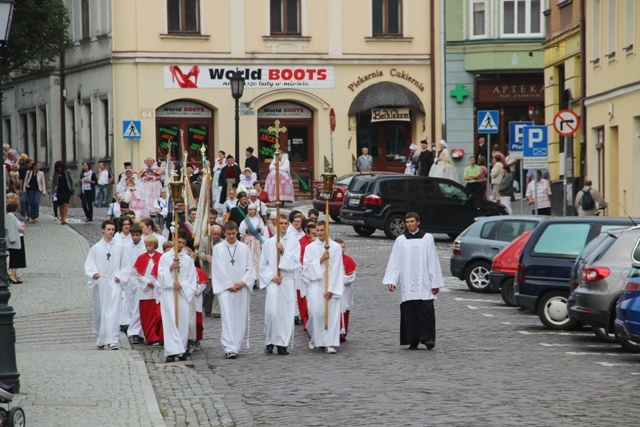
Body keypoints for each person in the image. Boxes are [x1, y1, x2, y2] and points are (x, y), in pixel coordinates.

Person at [383, 212, 444, 350]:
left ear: (418, 222)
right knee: (409, 311)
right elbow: (395, 261)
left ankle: (427, 338)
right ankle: (413, 339)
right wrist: (392, 280)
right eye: (407, 222)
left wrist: (435, 283)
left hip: (424, 281)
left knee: (426, 310)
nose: (409, 224)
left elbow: (433, 260)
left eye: (412, 221)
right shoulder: (401, 240)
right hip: (407, 279)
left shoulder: (427, 238)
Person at [210, 221, 256, 359]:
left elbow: (250, 267)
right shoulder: (218, 249)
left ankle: (236, 345)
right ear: (224, 233)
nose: (231, 236)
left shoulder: (244, 248)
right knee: (228, 318)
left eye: (233, 233)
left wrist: (243, 282)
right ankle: (229, 347)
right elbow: (217, 269)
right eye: (228, 234)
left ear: (237, 231)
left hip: (241, 288)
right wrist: (228, 284)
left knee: (240, 317)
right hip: (226, 289)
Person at [260, 214, 301, 355]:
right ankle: (270, 341)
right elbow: (262, 265)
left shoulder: (294, 242)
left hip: (287, 280)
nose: (283, 226)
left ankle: (282, 343)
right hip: (273, 281)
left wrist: (283, 251)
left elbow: (295, 263)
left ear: (288, 225)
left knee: (286, 313)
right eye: (281, 223)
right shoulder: (268, 243)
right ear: (276, 224)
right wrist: (272, 276)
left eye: (285, 223)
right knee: (272, 312)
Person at [301, 220, 344, 354]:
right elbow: (306, 268)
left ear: (327, 230)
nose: (319, 233)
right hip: (316, 283)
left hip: (331, 283)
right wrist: (320, 259)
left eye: (322, 230)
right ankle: (315, 337)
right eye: (317, 231)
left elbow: (337, 269)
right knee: (316, 312)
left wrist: (332, 288)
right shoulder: (310, 248)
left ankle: (329, 342)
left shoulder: (335, 247)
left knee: (330, 314)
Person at [84, 220, 127, 350]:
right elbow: (89, 265)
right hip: (101, 282)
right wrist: (94, 274)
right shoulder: (96, 248)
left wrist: (120, 276)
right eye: (108, 229)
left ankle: (113, 340)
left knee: (113, 311)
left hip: (114, 281)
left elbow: (126, 266)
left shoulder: (120, 247)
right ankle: (101, 338)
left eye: (113, 230)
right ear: (103, 230)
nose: (111, 232)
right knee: (101, 310)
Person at [157, 230, 198, 362]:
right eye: (178, 242)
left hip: (181, 293)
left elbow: (192, 279)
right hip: (169, 293)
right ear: (174, 241)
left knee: (182, 321)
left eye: (183, 243)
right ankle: (171, 350)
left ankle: (181, 350)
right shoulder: (165, 258)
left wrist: (182, 285)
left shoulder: (187, 260)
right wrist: (170, 268)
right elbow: (160, 276)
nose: (180, 245)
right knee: (170, 321)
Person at [132, 235, 163, 345]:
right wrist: (147, 282)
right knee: (147, 316)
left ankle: (159, 336)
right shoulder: (141, 258)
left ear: (155, 245)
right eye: (146, 245)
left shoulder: (161, 257)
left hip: (157, 290)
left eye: (150, 245)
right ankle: (150, 337)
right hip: (145, 291)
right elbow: (137, 274)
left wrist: (156, 283)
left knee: (157, 315)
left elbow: (163, 272)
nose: (147, 248)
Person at [198, 223, 224, 318]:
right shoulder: (205, 240)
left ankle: (216, 310)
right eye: (215, 234)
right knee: (207, 291)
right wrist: (205, 257)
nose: (216, 236)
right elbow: (200, 252)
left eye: (218, 234)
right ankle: (207, 308)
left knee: (217, 289)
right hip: (207, 269)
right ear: (211, 233)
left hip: (217, 270)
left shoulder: (222, 242)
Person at [334, 238, 356, 343]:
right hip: (334, 290)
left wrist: (339, 280)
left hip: (345, 290)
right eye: (340, 247)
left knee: (345, 310)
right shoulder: (331, 260)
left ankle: (343, 333)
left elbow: (351, 277)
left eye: (343, 247)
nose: (342, 249)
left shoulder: (348, 260)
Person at [239, 203, 267, 284]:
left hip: (257, 242)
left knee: (257, 259)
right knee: (248, 259)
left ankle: (256, 279)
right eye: (249, 210)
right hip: (247, 242)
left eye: (252, 210)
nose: (251, 211)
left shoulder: (259, 220)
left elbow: (262, 232)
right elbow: (242, 234)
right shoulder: (245, 221)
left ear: (255, 210)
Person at [6, 198, 25, 284]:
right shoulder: (10, 216)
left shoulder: (14, 216)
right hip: (15, 240)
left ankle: (14, 275)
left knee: (18, 258)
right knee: (15, 258)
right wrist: (12, 240)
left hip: (19, 238)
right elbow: (10, 228)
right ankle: (12, 276)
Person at [52, 160, 75, 225]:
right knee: (60, 205)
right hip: (59, 190)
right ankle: (62, 217)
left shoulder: (67, 172)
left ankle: (64, 218)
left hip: (67, 190)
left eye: (60, 167)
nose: (59, 168)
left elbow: (71, 181)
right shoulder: (56, 173)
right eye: (58, 167)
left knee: (65, 204)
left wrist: (73, 189)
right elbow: (54, 183)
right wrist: (53, 191)